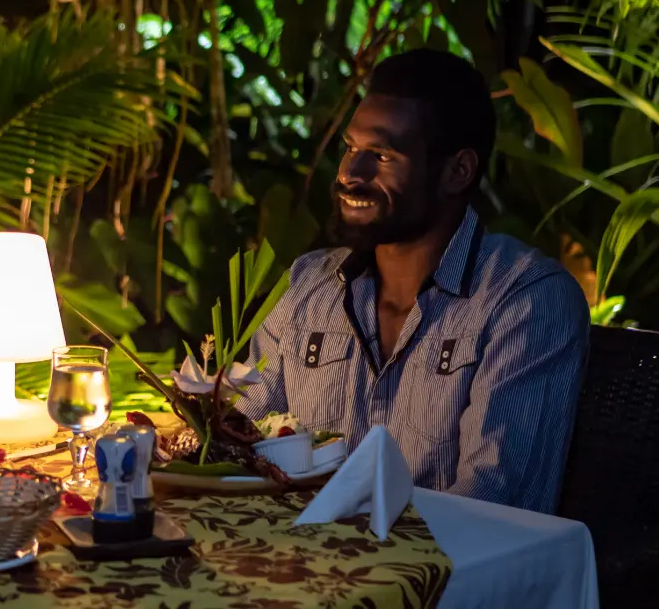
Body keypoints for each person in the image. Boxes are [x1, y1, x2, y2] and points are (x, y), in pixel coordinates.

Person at [237, 49, 589, 514]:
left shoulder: (523, 301)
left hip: (444, 576)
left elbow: (491, 505)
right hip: (297, 565)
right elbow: (238, 436)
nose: (349, 174)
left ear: (457, 171)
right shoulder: (309, 285)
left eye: (381, 155)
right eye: (350, 149)